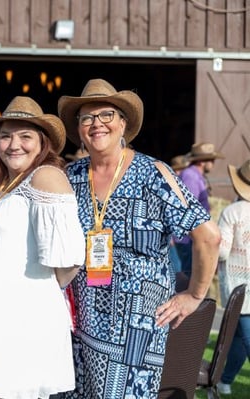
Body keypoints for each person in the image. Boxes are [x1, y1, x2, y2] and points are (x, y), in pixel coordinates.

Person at [56, 78, 221, 398]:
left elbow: (208, 237)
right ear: (79, 129)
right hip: (81, 325)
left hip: (136, 330)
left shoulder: (154, 174)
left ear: (123, 123)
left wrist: (194, 296)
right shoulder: (72, 177)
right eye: (87, 118)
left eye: (105, 115)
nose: (96, 124)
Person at [0, 96, 86, 399]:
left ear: (42, 143)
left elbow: (69, 260)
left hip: (21, 318)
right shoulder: (5, 186)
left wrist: (27, 295)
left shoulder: (45, 176)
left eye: (25, 136)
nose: (14, 144)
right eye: (6, 136)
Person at [215, 159, 250, 396]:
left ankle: (223, 381)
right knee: (238, 337)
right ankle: (224, 382)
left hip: (238, 286)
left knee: (246, 336)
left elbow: (223, 251)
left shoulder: (231, 212)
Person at [174, 142, 224, 277]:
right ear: (202, 161)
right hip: (189, 239)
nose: (213, 163)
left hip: (192, 238)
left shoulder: (195, 176)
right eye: (211, 159)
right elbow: (188, 209)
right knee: (189, 279)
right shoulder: (191, 177)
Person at [168, 154, 190, 274]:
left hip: (181, 237)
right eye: (181, 170)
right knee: (178, 269)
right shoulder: (170, 187)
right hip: (174, 237)